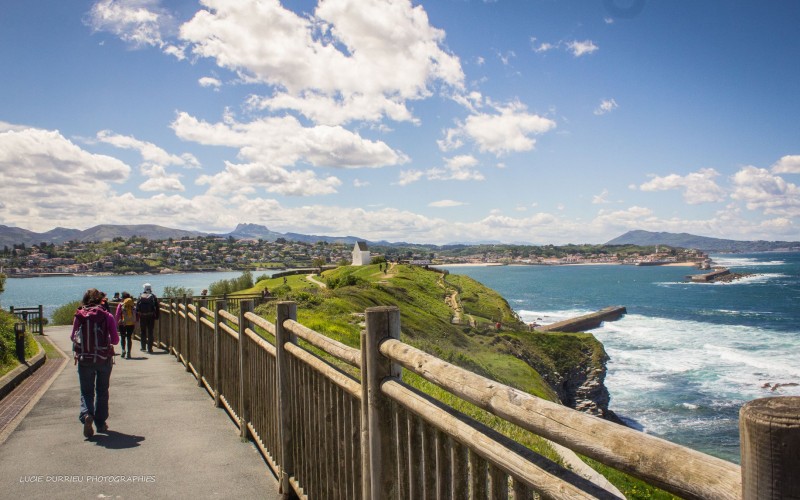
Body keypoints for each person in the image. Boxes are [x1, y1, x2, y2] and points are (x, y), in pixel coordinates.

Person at [71, 288, 119, 439]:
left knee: (86, 392)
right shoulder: (107, 315)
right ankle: (100, 423)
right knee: (102, 391)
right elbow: (116, 340)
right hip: (104, 358)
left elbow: (73, 337)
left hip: (85, 359)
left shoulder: (80, 315)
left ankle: (86, 415)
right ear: (100, 300)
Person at [136, 283, 160, 353]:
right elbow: (157, 307)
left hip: (142, 316)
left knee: (143, 332)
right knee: (150, 332)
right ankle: (150, 348)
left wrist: (138, 316)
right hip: (151, 316)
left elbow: (137, 308)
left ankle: (143, 347)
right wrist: (157, 316)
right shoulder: (153, 296)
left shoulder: (140, 296)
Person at [114, 291, 136, 359]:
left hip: (122, 323)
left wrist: (116, 322)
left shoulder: (120, 304)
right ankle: (129, 352)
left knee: (123, 337)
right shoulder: (132, 304)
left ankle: (123, 350)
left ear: (123, 298)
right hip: (131, 323)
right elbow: (135, 313)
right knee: (129, 337)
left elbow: (117, 314)